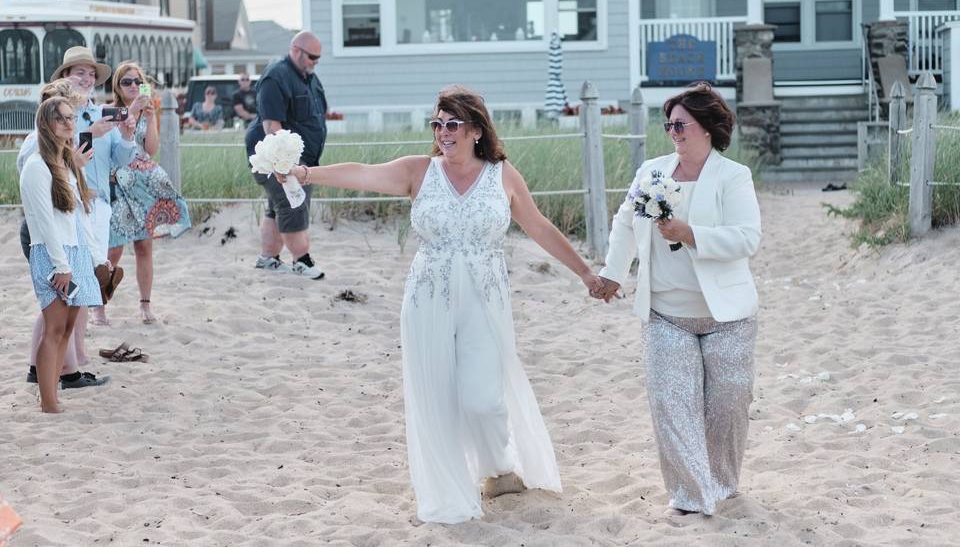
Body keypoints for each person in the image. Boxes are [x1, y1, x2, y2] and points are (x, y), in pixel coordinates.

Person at [279, 84, 603, 524]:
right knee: (436, 399)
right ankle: (452, 491)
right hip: (429, 295)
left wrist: (584, 272)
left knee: (483, 400)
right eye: (438, 123)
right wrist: (306, 174)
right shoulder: (419, 171)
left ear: (475, 129)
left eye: (453, 124)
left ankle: (497, 467)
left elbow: (539, 227)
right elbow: (363, 173)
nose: (444, 132)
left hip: (486, 298)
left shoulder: (502, 174)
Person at [592, 81, 762, 517]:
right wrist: (613, 274)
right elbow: (626, 223)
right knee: (672, 404)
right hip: (666, 313)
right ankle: (689, 495)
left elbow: (748, 238)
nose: (673, 131)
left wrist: (691, 235)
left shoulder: (733, 176)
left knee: (728, 407)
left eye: (681, 123)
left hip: (727, 317)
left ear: (707, 126)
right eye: (668, 124)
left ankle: (721, 485)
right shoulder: (652, 171)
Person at [18, 80, 111, 390]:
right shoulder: (38, 153)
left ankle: (61, 373)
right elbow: (44, 215)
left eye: (74, 115)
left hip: (66, 241)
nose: (71, 121)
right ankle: (55, 382)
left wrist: (95, 256)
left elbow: (75, 210)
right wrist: (61, 262)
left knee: (63, 320)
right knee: (53, 320)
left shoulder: (62, 157)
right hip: (47, 240)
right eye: (64, 115)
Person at [49, 46, 138, 327]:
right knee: (70, 267)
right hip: (66, 200)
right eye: (80, 73)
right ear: (65, 76)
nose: (87, 79)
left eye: (91, 74)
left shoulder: (103, 112)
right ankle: (72, 333)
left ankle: (81, 333)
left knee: (91, 269)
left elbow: (120, 160)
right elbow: (59, 154)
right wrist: (90, 133)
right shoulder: (55, 113)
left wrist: (126, 136)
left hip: (98, 201)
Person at [107, 62, 192, 324]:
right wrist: (131, 112)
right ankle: (98, 306)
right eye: (126, 82)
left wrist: (152, 116)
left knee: (144, 246)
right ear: (117, 87)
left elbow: (151, 149)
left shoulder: (146, 113)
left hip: (143, 184)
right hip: (117, 182)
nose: (132, 86)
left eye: (137, 81)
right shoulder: (110, 112)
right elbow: (113, 149)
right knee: (113, 249)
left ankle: (145, 304)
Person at [244, 30, 327, 278]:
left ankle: (267, 259)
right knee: (294, 203)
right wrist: (288, 167)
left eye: (318, 58)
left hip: (303, 161)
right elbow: (271, 126)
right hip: (277, 161)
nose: (315, 62)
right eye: (312, 56)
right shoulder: (276, 76)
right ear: (296, 50)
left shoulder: (309, 78)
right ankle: (302, 261)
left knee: (277, 207)